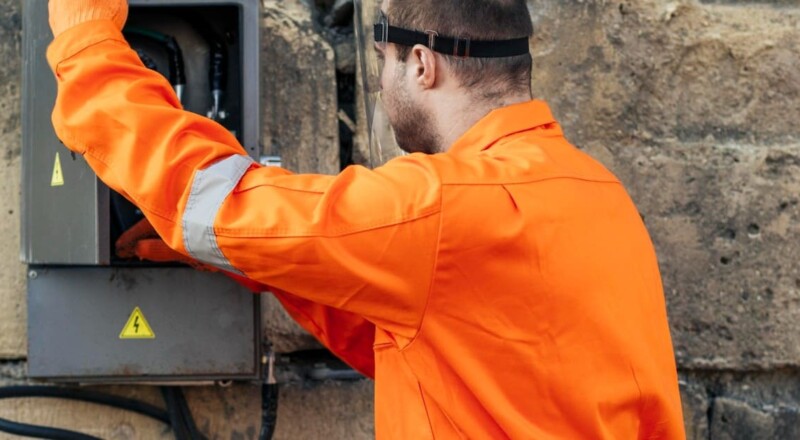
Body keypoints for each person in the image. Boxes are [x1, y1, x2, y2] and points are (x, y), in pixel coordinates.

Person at [46, 0, 685, 438]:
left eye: (382, 65)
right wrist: (270, 264)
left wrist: (86, 46)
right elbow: (446, 344)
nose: (381, 86)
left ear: (421, 65)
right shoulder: (598, 194)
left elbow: (220, 203)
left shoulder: (443, 204)